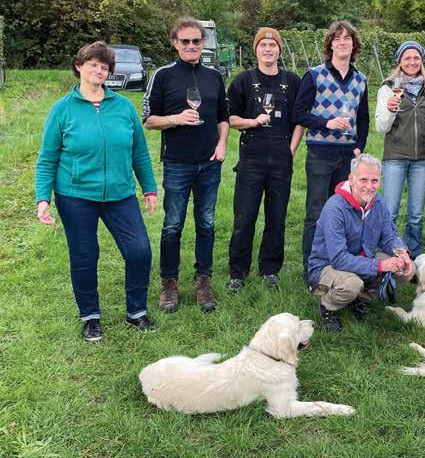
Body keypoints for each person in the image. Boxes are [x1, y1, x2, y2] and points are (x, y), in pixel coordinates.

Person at [35, 41, 158, 342]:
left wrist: (149, 188)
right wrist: (43, 199)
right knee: (84, 255)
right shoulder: (62, 109)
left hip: (120, 194)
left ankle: (136, 312)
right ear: (79, 66)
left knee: (139, 250)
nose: (99, 70)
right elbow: (47, 158)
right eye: (93, 64)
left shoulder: (123, 107)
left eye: (104, 67)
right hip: (75, 195)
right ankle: (90, 316)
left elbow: (139, 152)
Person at [143, 18, 229, 313]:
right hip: (177, 164)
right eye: (185, 41)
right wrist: (175, 119)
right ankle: (169, 284)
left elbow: (223, 116)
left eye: (196, 41)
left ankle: (203, 282)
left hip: (209, 163)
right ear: (175, 43)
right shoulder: (163, 75)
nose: (191, 46)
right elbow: (148, 119)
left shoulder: (214, 76)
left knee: (206, 224)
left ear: (203, 43)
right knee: (172, 225)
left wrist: (222, 144)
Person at [225, 27, 304, 292]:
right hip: (251, 158)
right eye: (263, 45)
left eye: (273, 45)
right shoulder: (243, 81)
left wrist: (291, 149)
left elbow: (300, 119)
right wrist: (252, 122)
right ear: (255, 49)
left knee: (276, 218)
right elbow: (229, 118)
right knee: (244, 217)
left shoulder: (292, 81)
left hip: (281, 158)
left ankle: (270, 269)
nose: (268, 49)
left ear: (279, 50)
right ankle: (238, 272)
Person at [292, 20, 369, 286]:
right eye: (337, 38)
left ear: (354, 45)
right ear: (330, 44)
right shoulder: (315, 75)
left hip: (348, 156)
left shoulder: (361, 80)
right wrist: (326, 123)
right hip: (320, 153)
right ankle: (312, 270)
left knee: (344, 212)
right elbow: (298, 114)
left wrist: (359, 146)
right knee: (316, 213)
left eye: (347, 38)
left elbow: (363, 118)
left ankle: (338, 263)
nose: (342, 42)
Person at [307, 154, 415, 332]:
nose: (369, 186)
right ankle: (327, 306)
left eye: (374, 181)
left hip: (361, 258)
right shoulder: (335, 208)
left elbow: (389, 235)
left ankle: (361, 299)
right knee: (352, 284)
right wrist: (380, 265)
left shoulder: (378, 201)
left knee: (404, 270)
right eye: (363, 180)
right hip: (327, 265)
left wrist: (402, 253)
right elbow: (339, 258)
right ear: (351, 179)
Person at [374, 41, 425, 258]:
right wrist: (390, 110)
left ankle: (412, 256)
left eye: (416, 58)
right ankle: (387, 255)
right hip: (395, 157)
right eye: (407, 58)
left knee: (416, 215)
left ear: (421, 61)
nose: (412, 62)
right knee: (390, 212)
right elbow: (381, 127)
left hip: (423, 158)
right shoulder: (388, 89)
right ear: (399, 61)